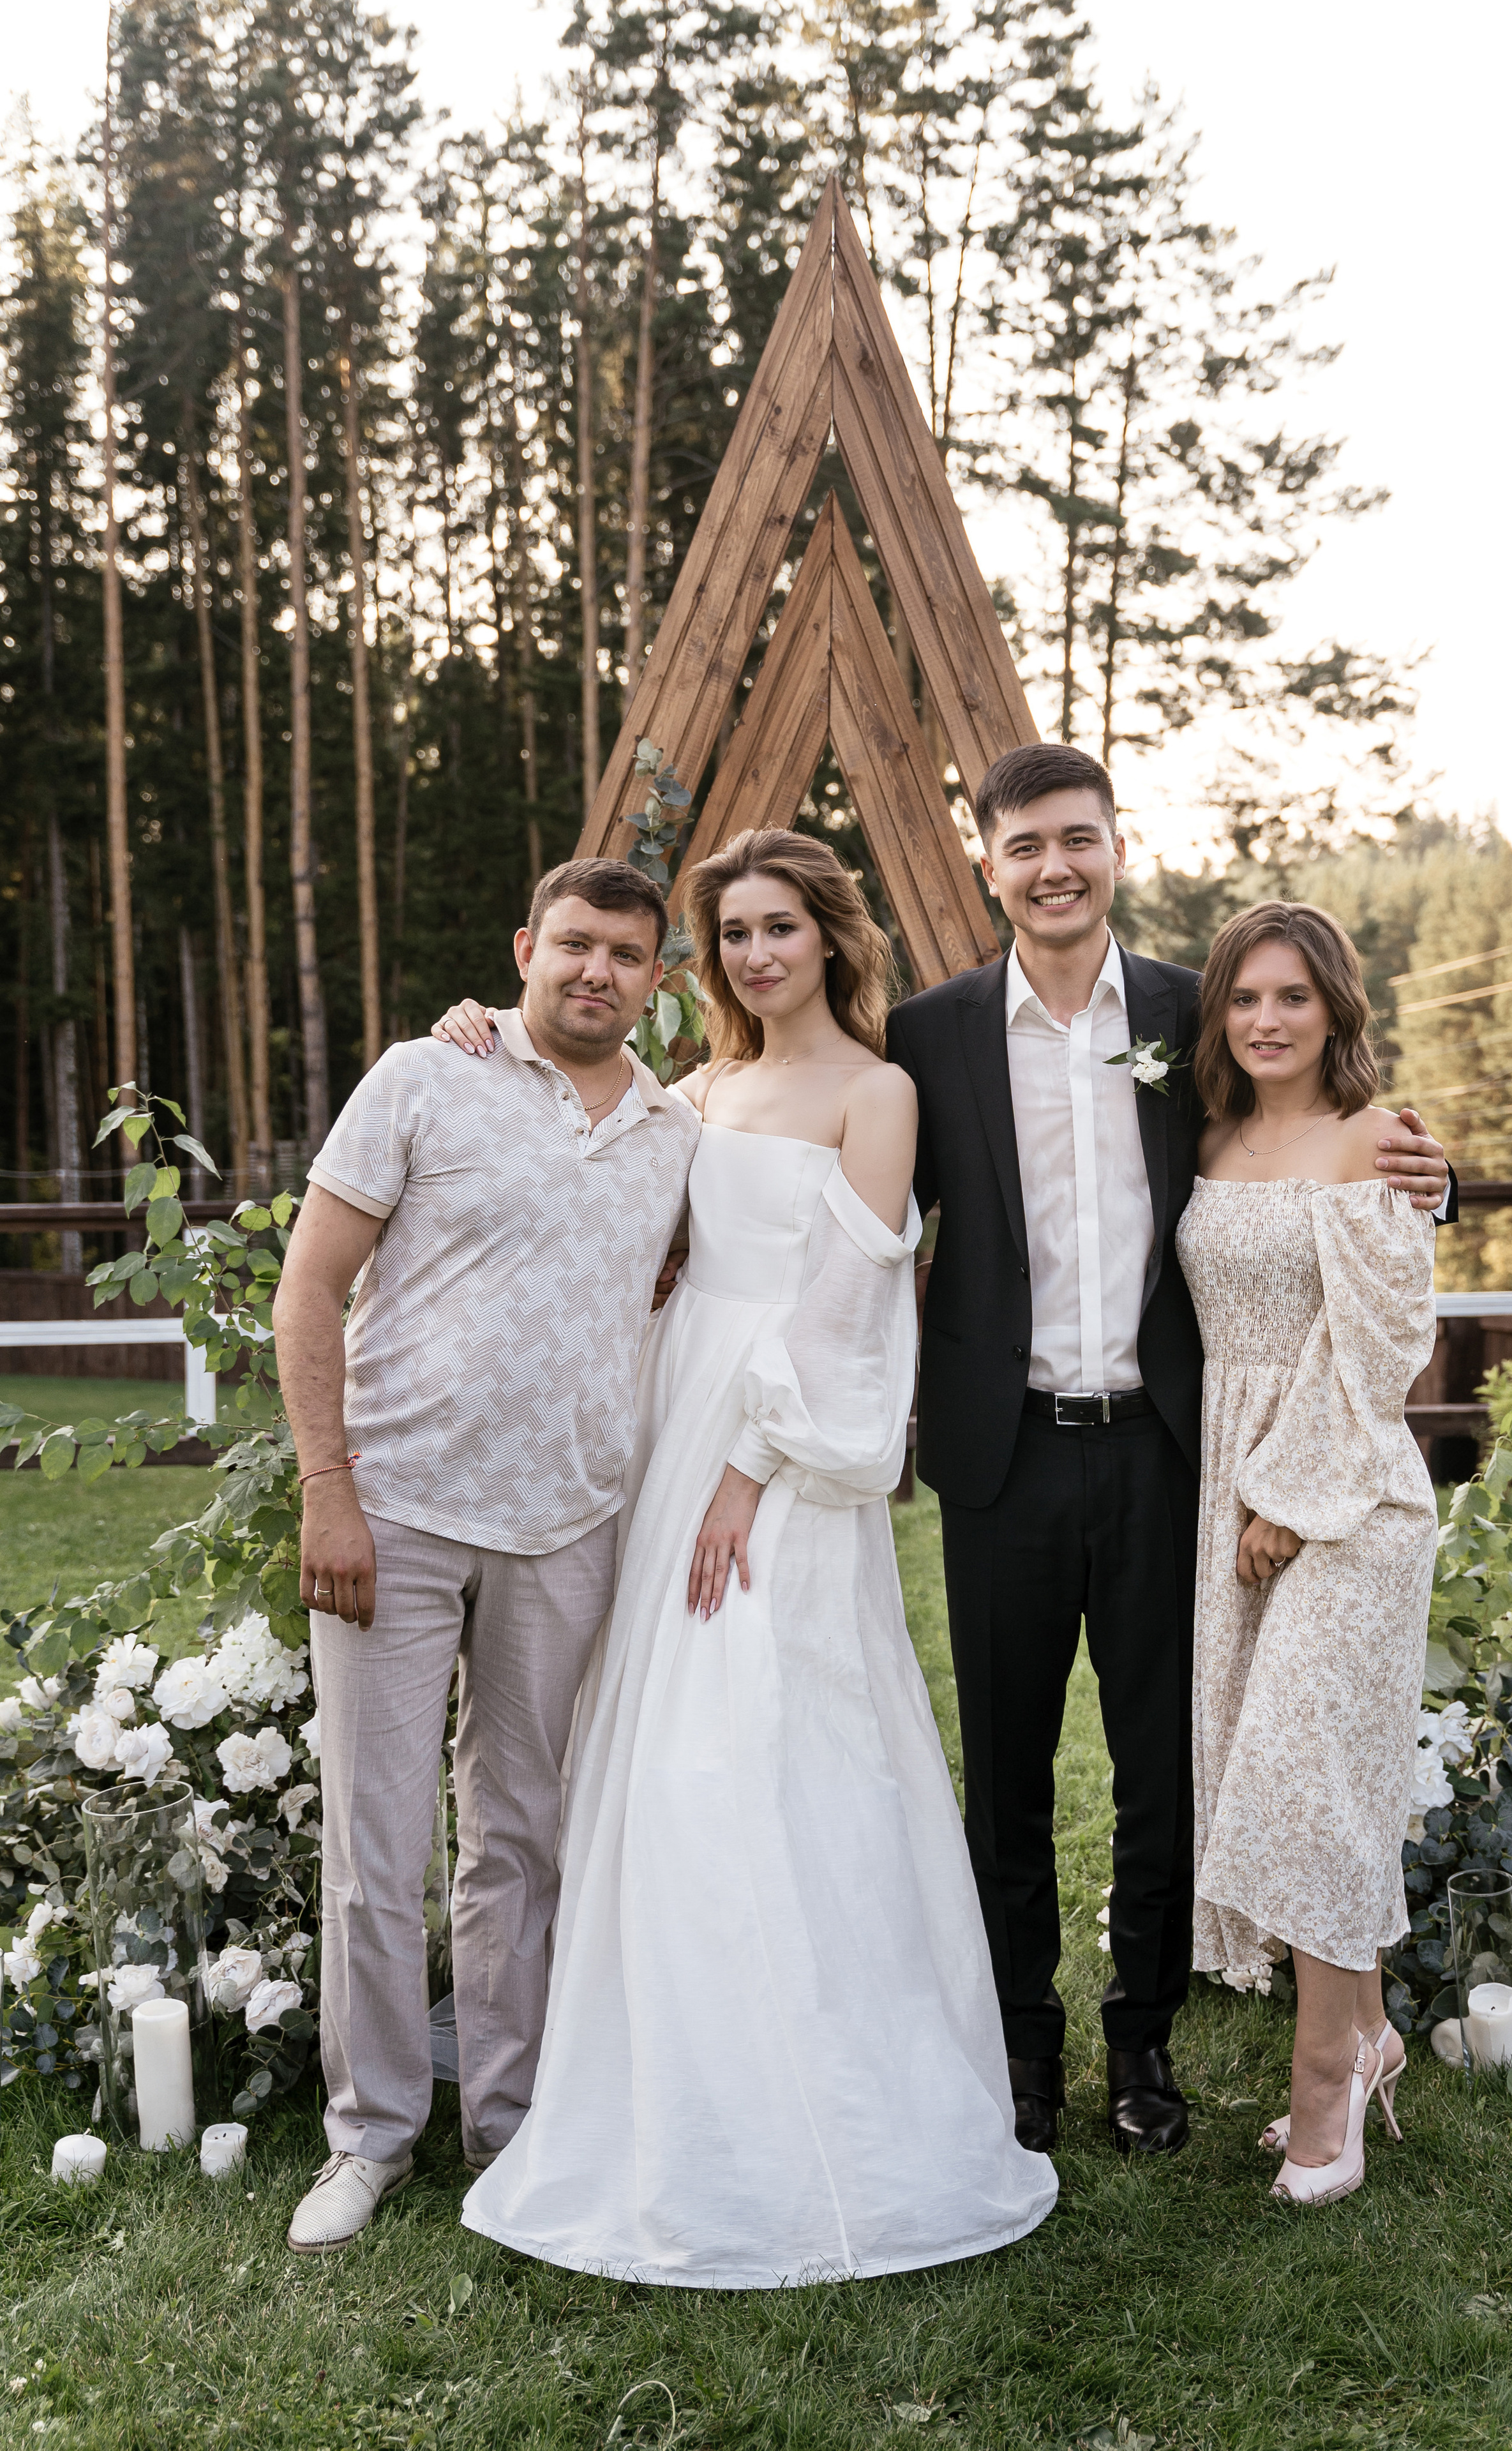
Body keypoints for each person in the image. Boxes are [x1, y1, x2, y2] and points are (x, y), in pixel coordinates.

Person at [439, 828, 1056, 2286]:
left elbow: (850, 1303)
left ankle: (814, 2095)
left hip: (779, 1452)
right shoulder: (696, 1089)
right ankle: (666, 2073)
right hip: (669, 1428)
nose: (756, 954)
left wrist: (745, 1473)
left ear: (831, 938)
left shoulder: (877, 1090)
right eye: (731, 935)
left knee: (769, 1737)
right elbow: (568, 1137)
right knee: (648, 1746)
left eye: (780, 927)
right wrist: (470, 1029)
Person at [884, 742, 1451, 2158]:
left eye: (1077, 838)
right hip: (1000, 1451)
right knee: (1004, 1773)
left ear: (1114, 847)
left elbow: (1314, 1132)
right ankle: (1021, 2052)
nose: (1053, 867)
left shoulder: (1188, 1010)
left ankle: (1143, 2048)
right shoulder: (928, 1033)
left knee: (1161, 1763)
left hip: (1168, 1450)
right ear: (988, 862)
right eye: (1024, 846)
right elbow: (807, 1140)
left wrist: (1442, 1183)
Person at [271, 858, 698, 2254]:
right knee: (378, 1844)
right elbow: (309, 1290)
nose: (596, 973)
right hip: (392, 1512)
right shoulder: (421, 1075)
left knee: (522, 1839)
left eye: (626, 956)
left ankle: (507, 2129)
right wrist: (327, 1488)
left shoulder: (674, 1131)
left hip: (569, 1522)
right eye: (573, 945)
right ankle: (369, 2137)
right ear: (526, 946)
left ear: (655, 978)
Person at [1178, 901, 1438, 2205]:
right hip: (1229, 1476)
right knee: (1287, 1770)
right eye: (1242, 998)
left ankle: (1322, 2077)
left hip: (1347, 1493)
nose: (1266, 1020)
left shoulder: (1368, 1139)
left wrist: (1284, 1494)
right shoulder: (1209, 1133)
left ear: (1334, 1005)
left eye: (1291, 996)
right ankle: (1371, 2024)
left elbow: (1382, 1345)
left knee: (1303, 1768)